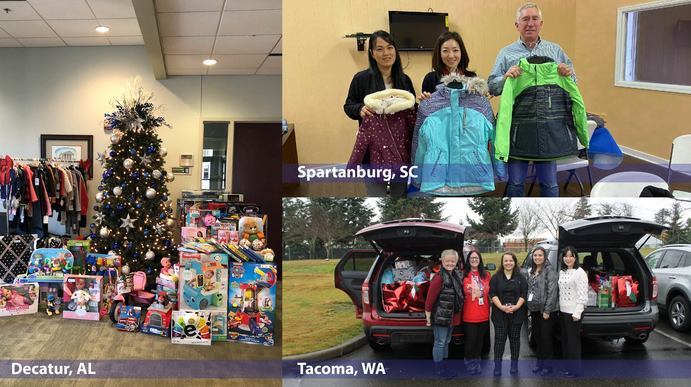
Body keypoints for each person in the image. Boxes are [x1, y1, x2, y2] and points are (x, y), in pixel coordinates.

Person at [488, 2, 577, 197]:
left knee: (550, 185)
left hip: (549, 128)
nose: (530, 23)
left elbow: (574, 84)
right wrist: (505, 78)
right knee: (516, 184)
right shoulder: (506, 53)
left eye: (534, 19)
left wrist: (566, 74)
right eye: (525, 19)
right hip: (518, 128)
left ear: (541, 23)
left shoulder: (556, 51)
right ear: (517, 25)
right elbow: (491, 87)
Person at [344, 30, 417, 197]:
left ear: (395, 51)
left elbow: (412, 110)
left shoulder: (404, 80)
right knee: (376, 195)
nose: (386, 53)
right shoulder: (361, 79)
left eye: (390, 47)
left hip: (399, 148)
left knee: (400, 194)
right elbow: (348, 106)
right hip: (373, 149)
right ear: (372, 53)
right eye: (380, 49)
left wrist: (416, 106)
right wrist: (359, 109)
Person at [425, 249, 464, 378]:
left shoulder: (455, 275)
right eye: (447, 261)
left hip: (450, 316)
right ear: (442, 261)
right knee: (440, 342)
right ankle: (439, 369)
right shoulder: (439, 278)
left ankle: (445, 365)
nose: (450, 263)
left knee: (446, 341)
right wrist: (428, 317)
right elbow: (430, 299)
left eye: (453, 261)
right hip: (440, 316)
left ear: (456, 262)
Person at [489, 251, 527, 376]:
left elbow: (523, 293)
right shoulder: (496, 277)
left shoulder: (521, 277)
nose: (508, 263)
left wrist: (516, 307)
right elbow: (492, 293)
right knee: (499, 341)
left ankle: (514, 365)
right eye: (506, 260)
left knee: (515, 340)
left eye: (511, 260)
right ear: (502, 262)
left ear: (515, 262)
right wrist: (501, 307)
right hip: (499, 314)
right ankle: (497, 366)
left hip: (517, 314)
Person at [526, 246, 558, 376]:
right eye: (535, 255)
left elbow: (552, 292)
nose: (537, 257)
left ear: (544, 257)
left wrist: (547, 310)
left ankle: (548, 366)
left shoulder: (550, 271)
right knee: (538, 338)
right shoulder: (532, 271)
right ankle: (540, 363)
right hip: (535, 310)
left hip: (547, 311)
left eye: (540, 255)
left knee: (546, 339)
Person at [558, 245, 588, 378]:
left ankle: (576, 370)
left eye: (571, 256)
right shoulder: (562, 271)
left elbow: (583, 296)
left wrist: (577, 312)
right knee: (565, 341)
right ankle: (567, 368)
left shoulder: (580, 272)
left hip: (574, 313)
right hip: (563, 311)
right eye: (566, 256)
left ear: (575, 257)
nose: (568, 258)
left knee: (573, 342)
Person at [420, 31, 477, 99]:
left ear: (462, 52)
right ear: (439, 53)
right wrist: (424, 102)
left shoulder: (472, 77)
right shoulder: (430, 79)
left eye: (455, 50)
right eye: (445, 51)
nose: (451, 56)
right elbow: (427, 107)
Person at [462, 249, 491, 375]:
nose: (474, 260)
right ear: (468, 260)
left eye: (476, 258)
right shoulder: (463, 275)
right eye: (472, 258)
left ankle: (477, 361)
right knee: (471, 339)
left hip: (483, 313)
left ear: (480, 260)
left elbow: (492, 292)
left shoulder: (486, 275)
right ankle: (469, 362)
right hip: (469, 313)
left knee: (480, 340)